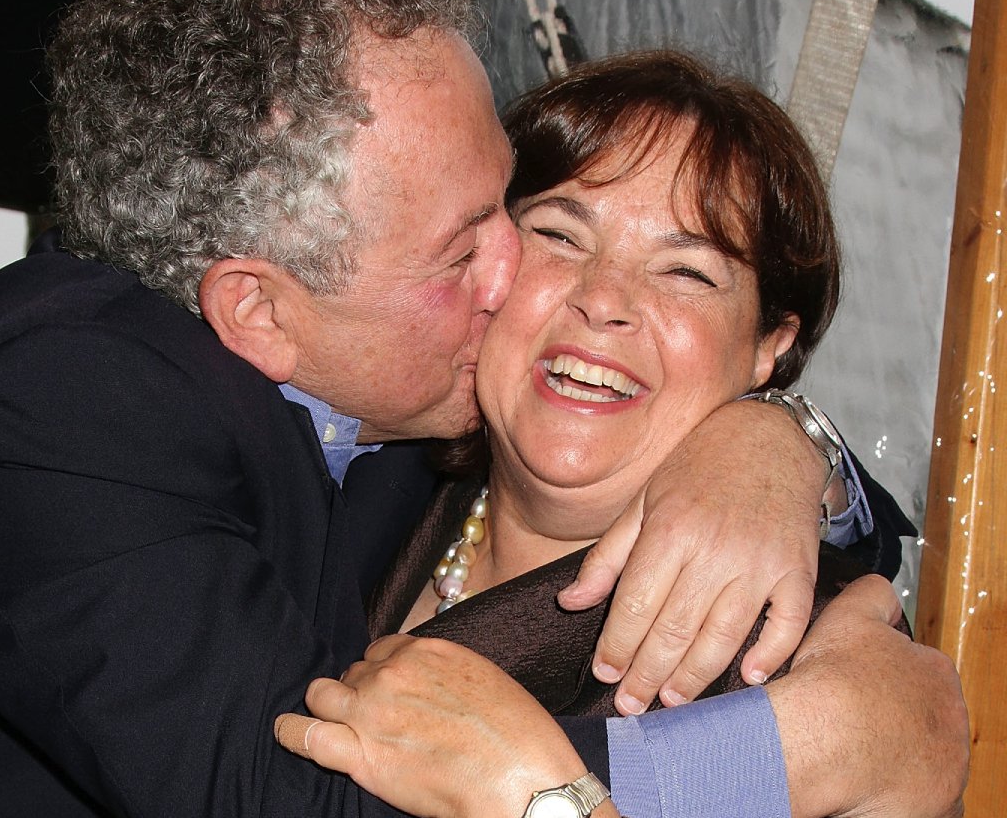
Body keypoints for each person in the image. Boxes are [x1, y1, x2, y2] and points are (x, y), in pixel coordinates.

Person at [0, 0, 959, 818]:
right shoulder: (110, 416)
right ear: (261, 314)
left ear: (771, 346)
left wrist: (788, 444)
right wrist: (791, 756)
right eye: (505, 238)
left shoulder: (788, 628)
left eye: (687, 269)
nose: (553, 287)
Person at [328, 52, 961, 816]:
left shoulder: (800, 670)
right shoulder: (354, 475)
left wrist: (542, 798)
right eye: (559, 234)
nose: (603, 299)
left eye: (687, 272)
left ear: (769, 346)